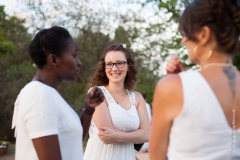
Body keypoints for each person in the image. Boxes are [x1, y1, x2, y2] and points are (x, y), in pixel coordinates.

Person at [149, 0, 240, 159]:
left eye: (186, 33)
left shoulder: (171, 87)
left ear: (204, 35)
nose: (183, 40)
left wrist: (182, 83)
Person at [11, 26, 104, 160]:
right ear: (54, 60)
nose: (80, 63)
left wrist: (88, 108)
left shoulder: (50, 94)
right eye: (74, 55)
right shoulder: (38, 94)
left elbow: (72, 140)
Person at [83, 44, 150, 160]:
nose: (114, 69)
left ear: (128, 66)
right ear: (104, 67)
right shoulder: (96, 92)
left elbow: (148, 134)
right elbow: (107, 136)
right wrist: (136, 134)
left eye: (120, 63)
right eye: (109, 64)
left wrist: (117, 135)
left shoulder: (137, 98)